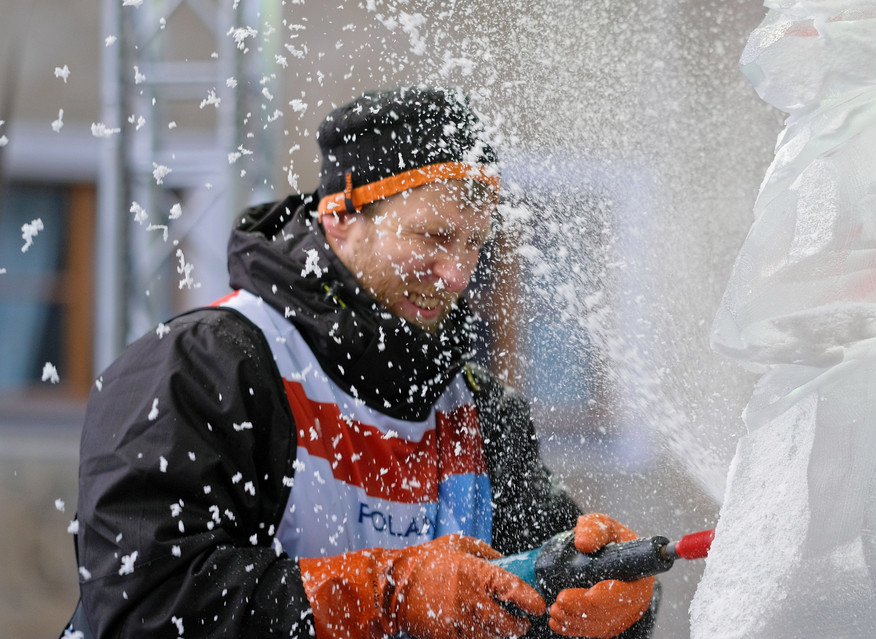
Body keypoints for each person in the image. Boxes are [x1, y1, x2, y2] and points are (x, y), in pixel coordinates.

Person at [66, 86, 659, 639]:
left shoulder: (476, 406)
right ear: (340, 219)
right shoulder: (205, 365)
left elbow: (541, 588)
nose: (457, 274)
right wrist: (389, 592)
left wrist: (618, 603)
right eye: (432, 236)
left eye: (475, 244)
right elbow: (143, 607)